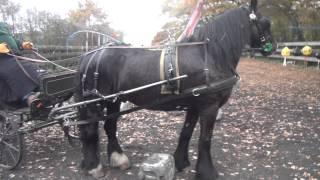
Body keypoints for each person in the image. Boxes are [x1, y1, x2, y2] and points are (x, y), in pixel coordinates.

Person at [0, 22, 41, 110]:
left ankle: (41, 91)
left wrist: (22, 44)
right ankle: (28, 97)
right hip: (2, 60)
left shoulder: (2, 25)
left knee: (29, 66)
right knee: (13, 69)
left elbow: (12, 39)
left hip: (13, 56)